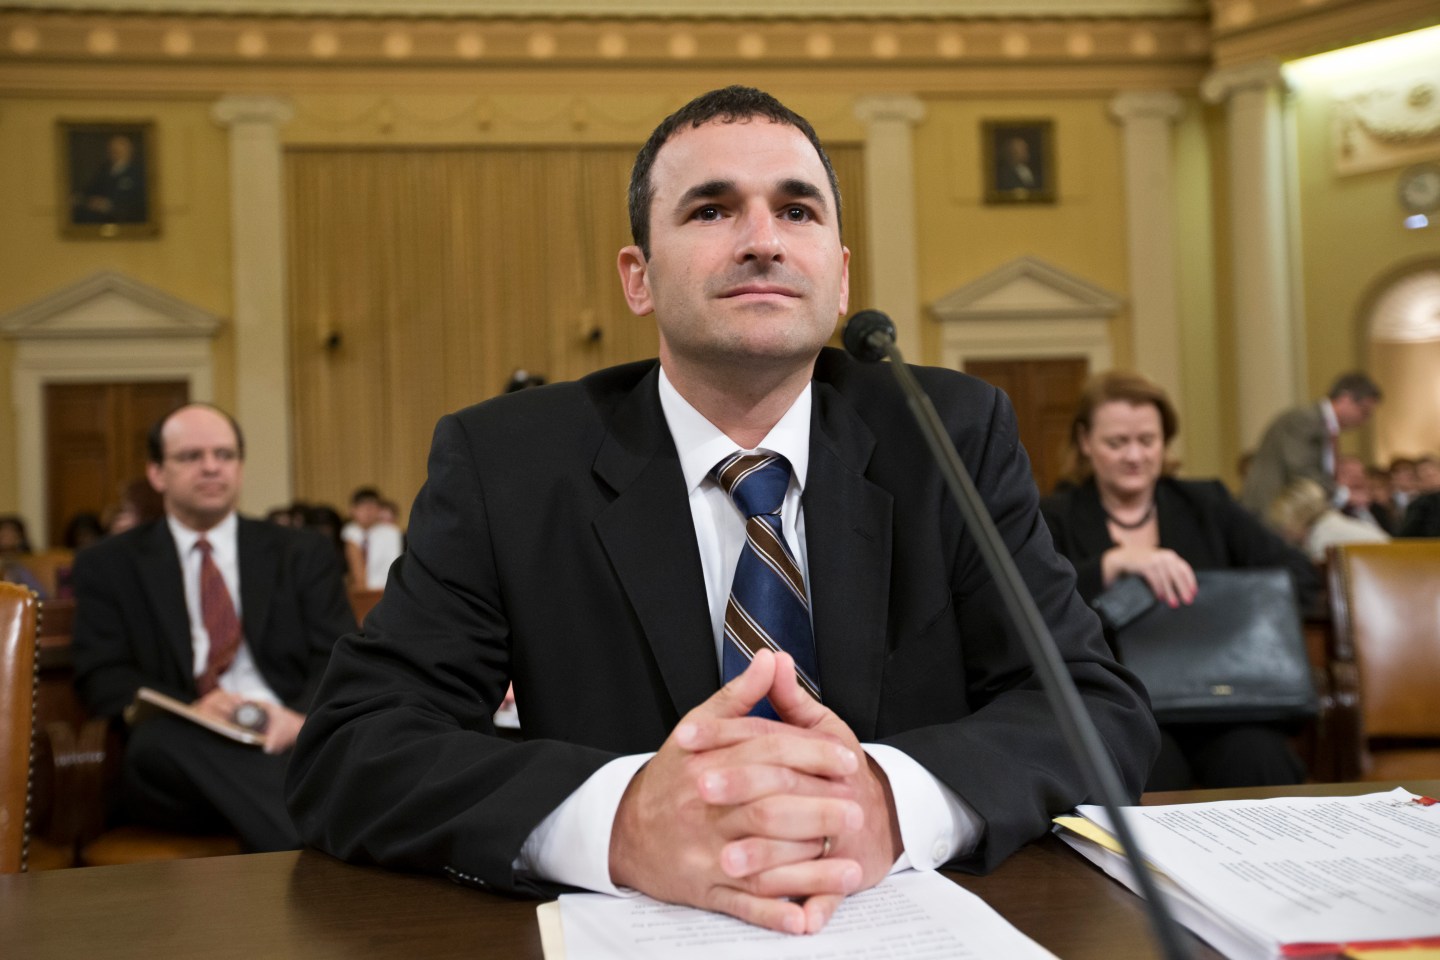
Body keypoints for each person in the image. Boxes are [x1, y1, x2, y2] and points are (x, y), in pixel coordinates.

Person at [286, 85, 1156, 935]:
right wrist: (622, 822)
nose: (763, 242)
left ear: (841, 276)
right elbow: (353, 748)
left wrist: (890, 803)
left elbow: (1091, 706)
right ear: (639, 277)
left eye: (799, 211)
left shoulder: (950, 435)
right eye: (711, 210)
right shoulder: (510, 463)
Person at [70, 403, 356, 850]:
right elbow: (102, 673)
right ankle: (316, 843)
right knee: (158, 741)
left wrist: (300, 720)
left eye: (224, 455)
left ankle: (298, 823)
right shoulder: (108, 565)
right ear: (157, 473)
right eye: (190, 457)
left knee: (356, 737)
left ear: (240, 468)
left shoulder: (301, 553)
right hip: (184, 750)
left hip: (290, 730)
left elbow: (338, 653)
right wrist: (194, 710)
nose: (210, 467)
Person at [1040, 371, 1317, 792]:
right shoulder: (1055, 516)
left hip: (1222, 699)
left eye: (1147, 440)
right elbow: (1033, 603)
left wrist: (1221, 601)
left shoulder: (1207, 503)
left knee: (1257, 755)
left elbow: (1296, 574)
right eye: (1117, 442)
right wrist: (1111, 565)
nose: (1135, 455)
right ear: (1085, 442)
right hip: (1120, 705)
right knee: (1146, 761)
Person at [1239, 372, 1382, 519]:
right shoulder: (1304, 420)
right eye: (1364, 412)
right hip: (1274, 511)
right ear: (1345, 399)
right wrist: (1345, 495)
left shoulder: (1324, 426)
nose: (1364, 421)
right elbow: (1302, 472)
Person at [1268, 478, 1388, 562]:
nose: (1284, 533)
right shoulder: (1330, 524)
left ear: (1297, 517)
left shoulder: (1322, 539)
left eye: (1284, 525)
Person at [71, 132, 147, 224]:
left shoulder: (138, 173)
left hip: (124, 219)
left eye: (119, 150)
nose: (115, 153)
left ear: (129, 150)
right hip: (97, 218)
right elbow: (89, 190)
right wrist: (82, 199)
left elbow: (137, 202)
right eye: (113, 150)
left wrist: (108, 205)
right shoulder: (103, 171)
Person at [340, 487, 403, 590]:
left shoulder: (391, 533)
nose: (368, 511)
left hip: (385, 590)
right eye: (363, 507)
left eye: (372, 507)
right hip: (355, 594)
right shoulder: (347, 533)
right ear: (352, 509)